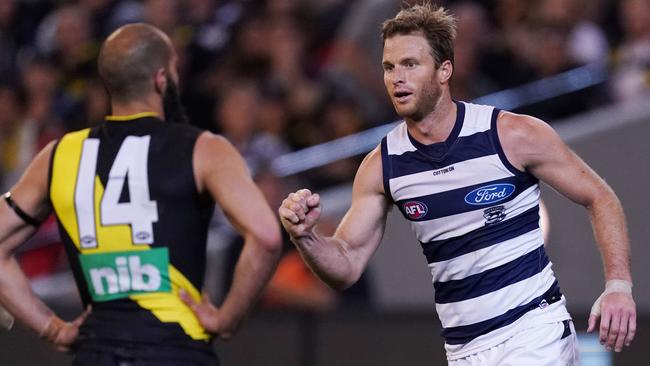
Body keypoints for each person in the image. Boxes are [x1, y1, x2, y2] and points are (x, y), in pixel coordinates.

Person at [279, 4, 636, 365]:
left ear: (444, 70)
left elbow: (599, 195)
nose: (396, 78)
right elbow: (347, 264)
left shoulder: (511, 134)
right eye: (389, 67)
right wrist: (305, 237)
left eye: (410, 64)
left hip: (534, 332)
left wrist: (618, 285)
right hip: (464, 350)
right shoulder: (382, 166)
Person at [0, 23, 282, 365]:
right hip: (177, 350)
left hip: (96, 353)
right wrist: (226, 319)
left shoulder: (58, 156)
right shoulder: (203, 149)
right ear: (162, 79)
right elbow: (266, 237)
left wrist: (52, 329)